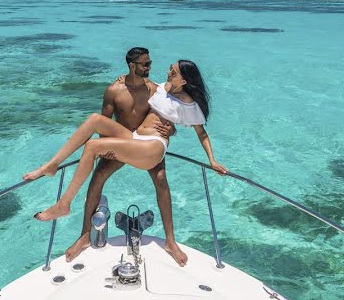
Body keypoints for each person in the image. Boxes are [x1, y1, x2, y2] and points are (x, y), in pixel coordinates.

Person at [24, 53, 228, 262]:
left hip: (153, 147)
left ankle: (64, 204)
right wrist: (124, 78)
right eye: (169, 68)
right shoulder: (159, 88)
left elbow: (201, 134)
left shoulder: (189, 105)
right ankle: (52, 165)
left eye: (173, 72)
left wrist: (211, 160)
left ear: (184, 80)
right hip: (135, 138)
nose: (168, 72)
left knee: (93, 146)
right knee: (95, 120)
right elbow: (137, 81)